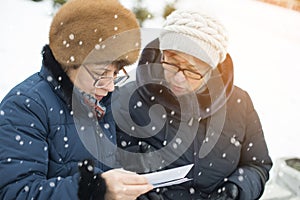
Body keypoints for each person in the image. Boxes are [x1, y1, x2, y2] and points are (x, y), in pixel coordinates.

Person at [0, 0, 153, 199]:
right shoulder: (25, 106)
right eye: (101, 74)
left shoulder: (103, 101)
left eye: (115, 73)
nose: (110, 86)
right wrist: (93, 189)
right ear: (69, 63)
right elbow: (15, 192)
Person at [116, 9, 273, 200]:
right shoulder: (125, 98)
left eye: (192, 70)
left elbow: (258, 165)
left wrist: (237, 189)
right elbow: (103, 166)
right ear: (161, 53)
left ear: (211, 70)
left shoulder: (240, 104)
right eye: (173, 62)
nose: (179, 78)